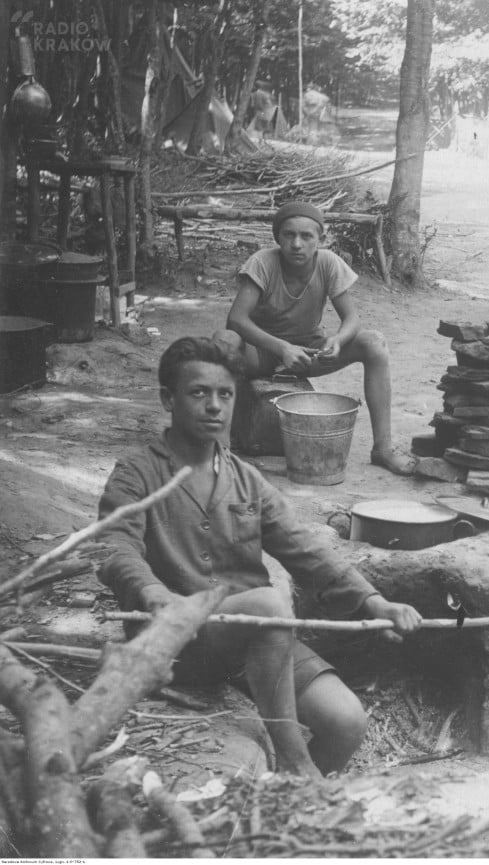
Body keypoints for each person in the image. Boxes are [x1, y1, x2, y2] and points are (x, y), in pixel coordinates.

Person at [98, 336, 423, 778]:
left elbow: (305, 550)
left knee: (347, 721)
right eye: (198, 393)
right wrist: (154, 595)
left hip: (257, 641)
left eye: (225, 394)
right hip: (179, 643)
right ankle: (296, 761)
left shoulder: (246, 479)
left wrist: (374, 603)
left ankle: (282, 803)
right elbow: (114, 546)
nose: (214, 406)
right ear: (167, 399)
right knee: (269, 605)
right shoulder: (137, 472)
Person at [214, 201, 416, 474]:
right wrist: (282, 347)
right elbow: (236, 319)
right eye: (289, 235)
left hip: (309, 354)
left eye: (306, 236)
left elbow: (352, 319)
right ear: (278, 238)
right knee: (224, 340)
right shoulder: (263, 262)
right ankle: (219, 449)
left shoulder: (329, 263)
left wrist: (339, 340)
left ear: (320, 239)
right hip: (260, 353)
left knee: (373, 342)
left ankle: (382, 448)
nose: (297, 244)